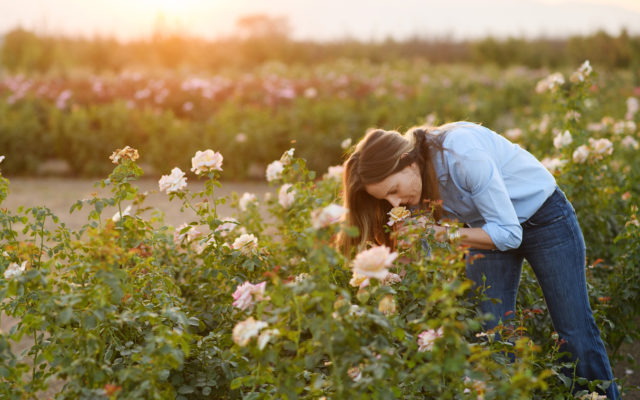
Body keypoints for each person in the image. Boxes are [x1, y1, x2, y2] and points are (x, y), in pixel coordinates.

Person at [339, 121, 619, 399]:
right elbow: (424, 253)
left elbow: (509, 234)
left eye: (393, 190)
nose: (395, 203)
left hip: (545, 218)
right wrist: (392, 276)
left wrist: (443, 234)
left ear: (406, 161)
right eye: (387, 198)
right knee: (488, 336)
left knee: (574, 330)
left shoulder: (461, 152)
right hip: (484, 227)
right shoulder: (414, 186)